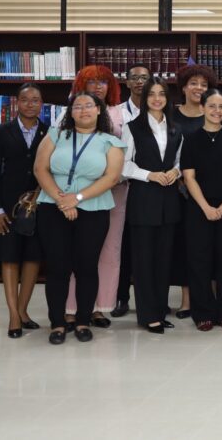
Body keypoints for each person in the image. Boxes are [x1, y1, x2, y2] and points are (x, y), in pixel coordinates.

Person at [34, 92, 125, 345]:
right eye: (77, 106)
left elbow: (111, 178)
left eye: (88, 106)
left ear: (99, 110)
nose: (83, 110)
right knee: (57, 267)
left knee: (86, 267)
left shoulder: (112, 142)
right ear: (70, 112)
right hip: (53, 207)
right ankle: (58, 323)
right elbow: (40, 168)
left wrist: (78, 198)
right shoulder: (55, 135)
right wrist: (63, 200)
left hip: (93, 209)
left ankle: (83, 320)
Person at [65, 65, 127, 330]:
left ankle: (100, 307)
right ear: (82, 84)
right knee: (74, 252)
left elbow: (128, 152)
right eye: (92, 82)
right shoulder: (71, 113)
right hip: (77, 194)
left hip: (113, 191)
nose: (99, 86)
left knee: (109, 252)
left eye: (104, 82)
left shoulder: (119, 113)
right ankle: (71, 309)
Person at [121, 76, 183, 334]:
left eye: (161, 94)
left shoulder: (175, 128)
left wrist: (176, 173)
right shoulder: (132, 126)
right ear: (144, 98)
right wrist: (149, 174)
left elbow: (180, 160)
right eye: (151, 94)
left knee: (163, 260)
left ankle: (159, 310)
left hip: (169, 201)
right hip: (143, 199)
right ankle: (147, 315)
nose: (157, 98)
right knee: (144, 260)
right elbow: (124, 165)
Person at [0, 83, 49, 339]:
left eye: (36, 100)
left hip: (38, 205)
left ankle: (23, 311)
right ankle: (13, 315)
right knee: (10, 257)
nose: (31, 104)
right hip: (9, 207)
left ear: (41, 104)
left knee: (33, 258)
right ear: (17, 103)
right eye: (26, 100)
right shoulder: (2, 131)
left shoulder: (49, 132)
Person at [182, 89, 222, 332]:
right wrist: (206, 207)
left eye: (221, 107)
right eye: (212, 106)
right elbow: (189, 176)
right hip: (199, 208)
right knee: (200, 262)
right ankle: (203, 314)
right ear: (203, 109)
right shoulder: (191, 138)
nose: (217, 111)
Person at [170, 64, 218, 320]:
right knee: (184, 247)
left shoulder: (214, 113)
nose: (198, 88)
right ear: (184, 87)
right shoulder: (171, 115)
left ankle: (209, 296)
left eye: (203, 84)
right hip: (178, 192)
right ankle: (187, 300)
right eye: (193, 84)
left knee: (208, 247)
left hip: (209, 191)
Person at [113, 63, 150, 318]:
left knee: (145, 247)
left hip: (147, 190)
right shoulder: (115, 113)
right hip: (117, 188)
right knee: (120, 245)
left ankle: (149, 298)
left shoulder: (159, 111)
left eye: (144, 78)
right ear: (126, 83)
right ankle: (120, 297)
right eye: (134, 78)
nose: (139, 82)